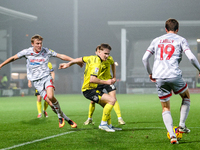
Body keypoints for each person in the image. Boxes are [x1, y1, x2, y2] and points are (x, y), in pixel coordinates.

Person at [0, 34, 83, 128]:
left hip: (46, 77)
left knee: (51, 96)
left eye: (41, 43)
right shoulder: (26, 52)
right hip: (36, 82)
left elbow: (61, 56)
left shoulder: (46, 51)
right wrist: (1, 65)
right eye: (37, 43)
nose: (39, 45)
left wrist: (75, 61)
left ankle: (60, 117)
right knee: (51, 104)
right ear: (32, 44)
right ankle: (67, 119)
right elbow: (13, 58)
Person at [142, 18, 200, 144]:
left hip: (159, 77)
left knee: (165, 107)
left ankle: (173, 136)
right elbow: (191, 58)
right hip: (174, 74)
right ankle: (182, 125)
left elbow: (144, 58)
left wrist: (150, 73)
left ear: (165, 29)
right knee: (186, 97)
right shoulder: (181, 39)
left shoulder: (156, 40)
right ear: (177, 29)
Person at [59, 43, 121, 132]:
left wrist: (69, 64)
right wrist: (106, 82)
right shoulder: (97, 64)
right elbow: (93, 79)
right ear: (99, 52)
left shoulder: (91, 58)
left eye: (108, 54)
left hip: (91, 89)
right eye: (105, 53)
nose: (107, 56)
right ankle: (103, 124)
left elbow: (80, 59)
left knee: (107, 105)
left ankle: (109, 125)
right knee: (112, 100)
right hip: (89, 90)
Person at [83, 45, 125, 125]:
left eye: (107, 53)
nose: (106, 55)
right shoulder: (95, 61)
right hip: (99, 81)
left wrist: (114, 77)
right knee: (92, 101)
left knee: (113, 98)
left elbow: (113, 64)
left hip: (108, 80)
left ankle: (119, 118)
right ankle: (90, 118)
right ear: (97, 52)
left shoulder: (109, 59)